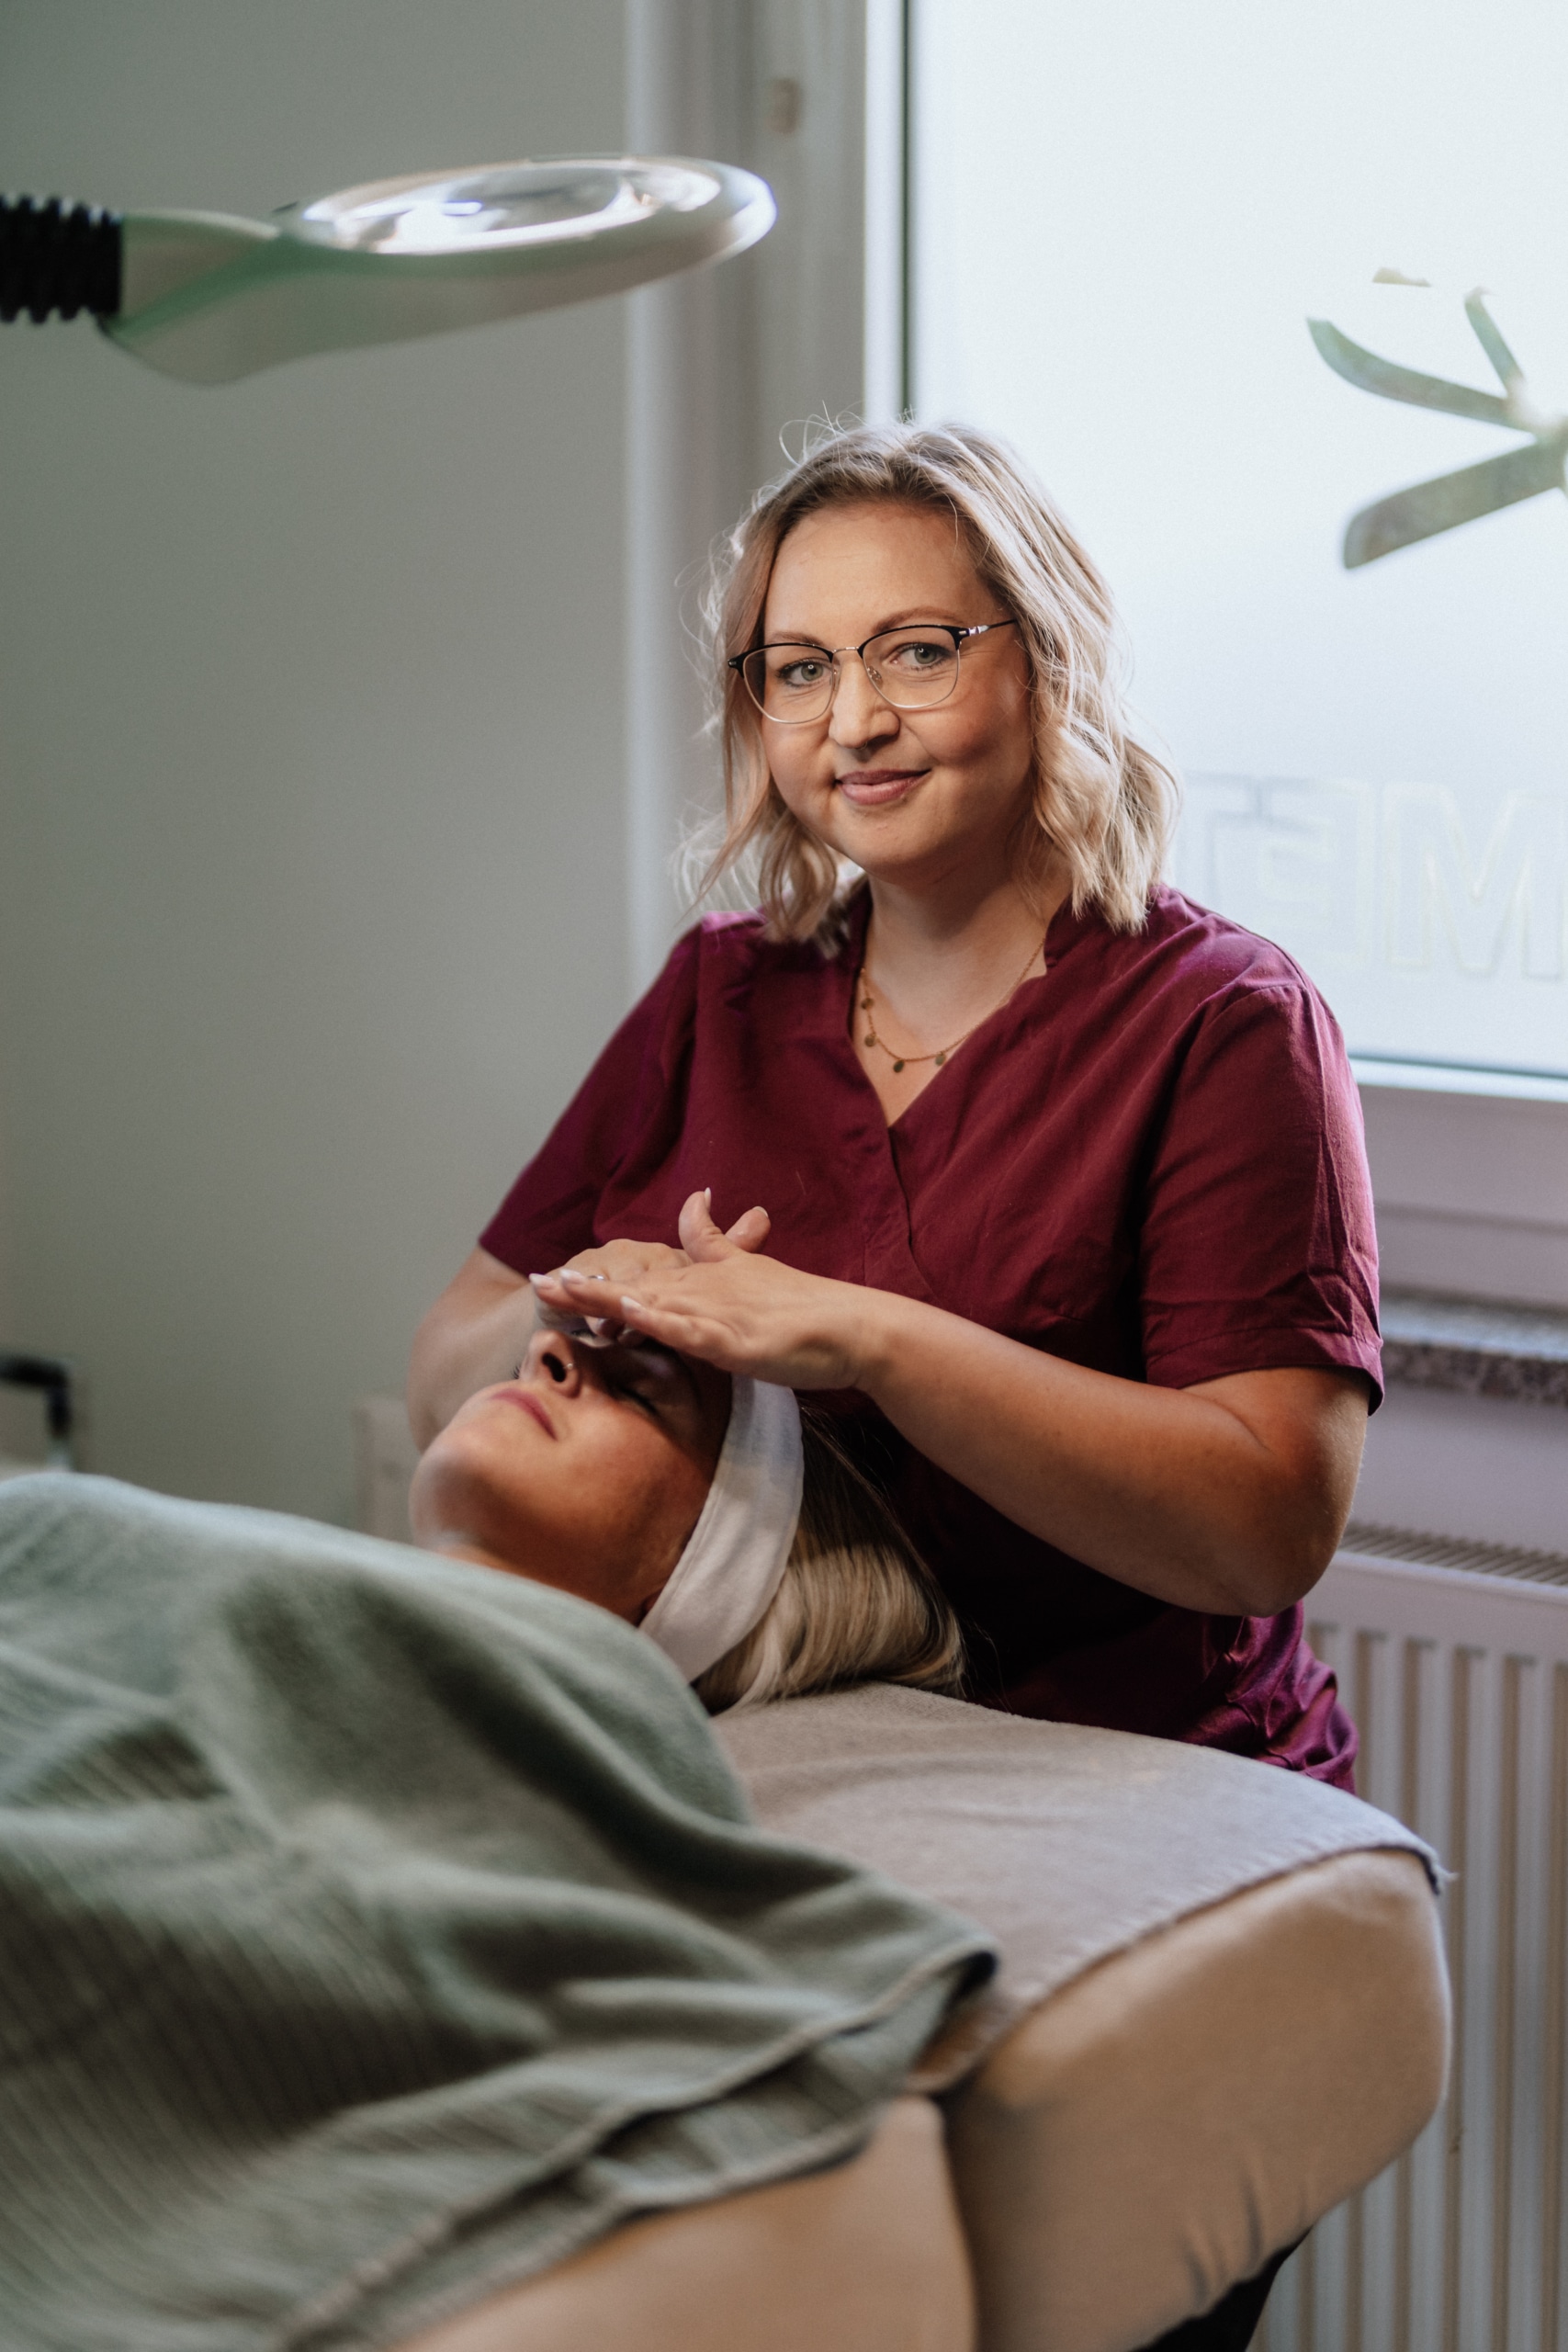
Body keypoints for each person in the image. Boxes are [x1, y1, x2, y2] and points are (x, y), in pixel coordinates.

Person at [410, 420, 1382, 1792]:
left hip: (1144, 1779)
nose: (855, 722)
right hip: (805, 1753)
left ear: (1046, 659)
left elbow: (1267, 1529)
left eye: (917, 652)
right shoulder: (719, 993)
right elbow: (438, 1379)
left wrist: (865, 1339)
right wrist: (584, 1296)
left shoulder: (1223, 1023)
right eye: (800, 670)